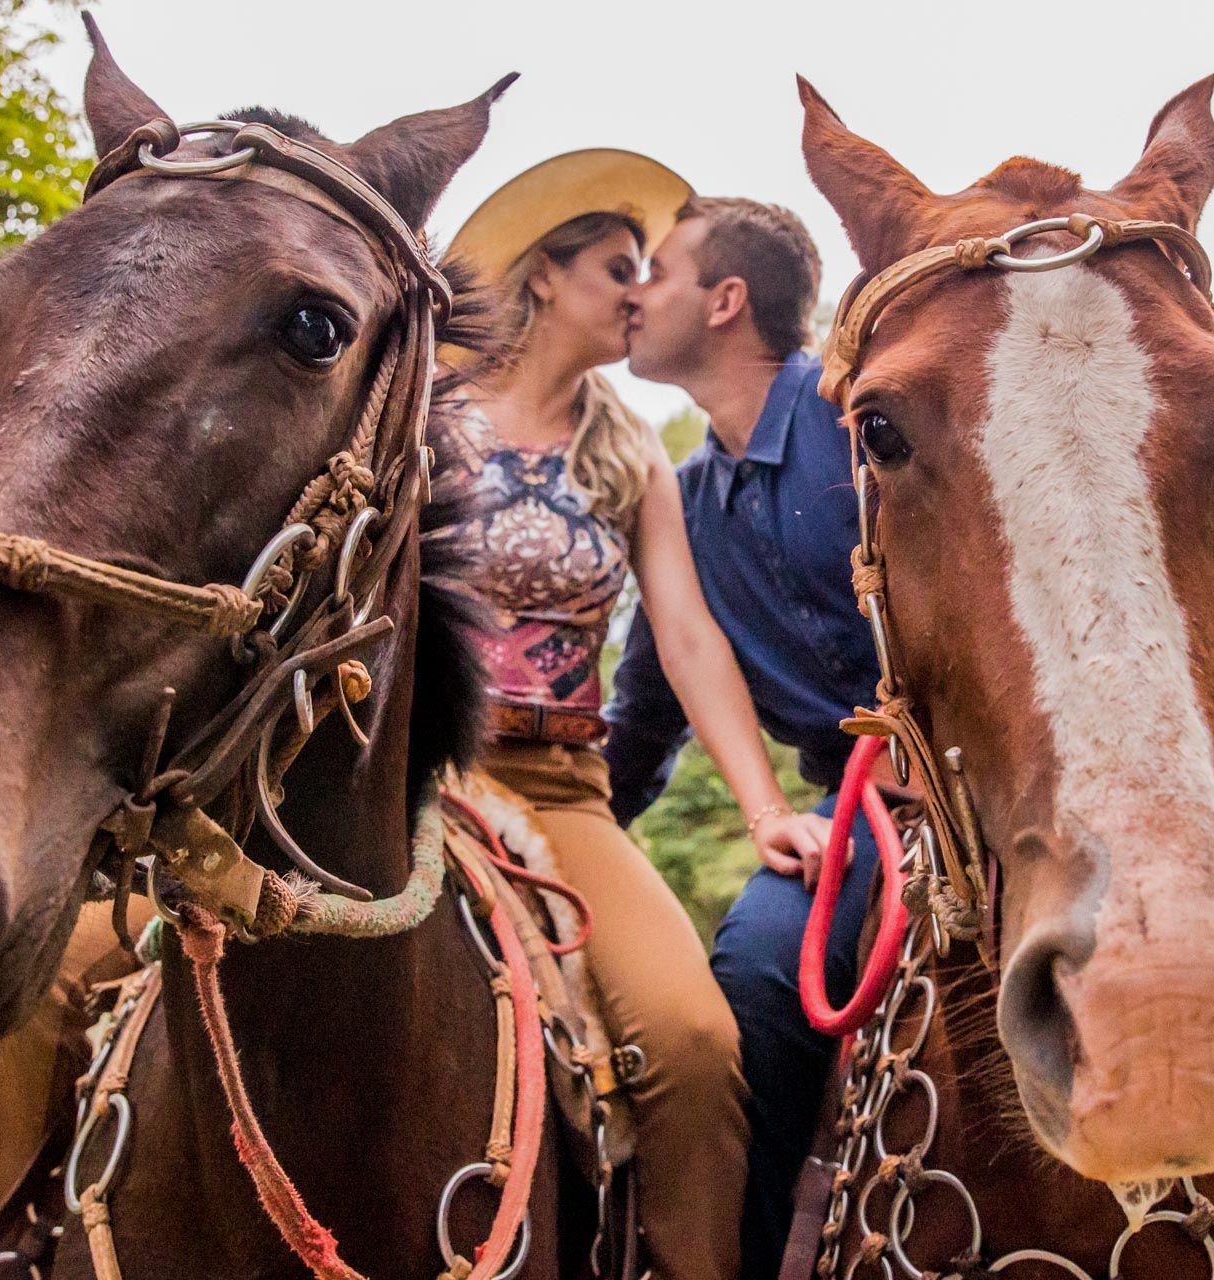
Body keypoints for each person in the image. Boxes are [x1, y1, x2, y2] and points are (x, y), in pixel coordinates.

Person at [602, 195, 1214, 1280]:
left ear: (725, 299)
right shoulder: (688, 510)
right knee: (752, 985)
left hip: (1090, 746)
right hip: (866, 811)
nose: (628, 293)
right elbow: (648, 716)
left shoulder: (908, 400)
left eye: (649, 269)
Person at [431, 150, 832, 1280]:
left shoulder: (631, 451)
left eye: (646, 269)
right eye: (616, 267)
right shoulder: (422, 413)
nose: (634, 290)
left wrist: (764, 811)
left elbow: (690, 639)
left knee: (697, 1044)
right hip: (408, 768)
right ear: (544, 277)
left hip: (564, 793)